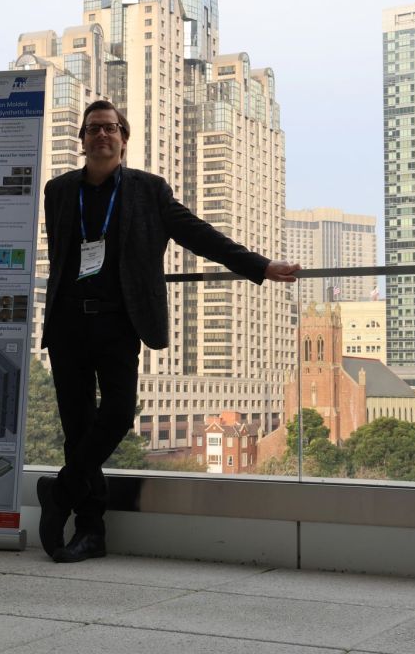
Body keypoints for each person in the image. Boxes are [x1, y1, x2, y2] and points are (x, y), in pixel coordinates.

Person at [38, 99, 298, 563]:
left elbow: (198, 235)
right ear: (81, 139)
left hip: (119, 323)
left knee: (117, 413)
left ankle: (58, 492)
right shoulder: (58, 191)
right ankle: (90, 530)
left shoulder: (147, 190)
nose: (102, 135)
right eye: (94, 128)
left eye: (111, 128)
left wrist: (260, 265)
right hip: (68, 323)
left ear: (124, 138)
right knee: (77, 430)